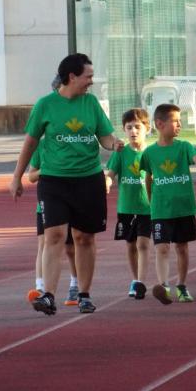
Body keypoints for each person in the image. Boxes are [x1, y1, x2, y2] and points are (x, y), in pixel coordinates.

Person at [10, 53, 123, 315]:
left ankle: (84, 294)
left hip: (88, 180)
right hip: (54, 181)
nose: (91, 82)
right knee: (55, 236)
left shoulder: (91, 104)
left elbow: (104, 137)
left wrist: (114, 144)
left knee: (84, 238)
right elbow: (30, 142)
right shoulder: (45, 105)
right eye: (88, 76)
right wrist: (17, 176)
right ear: (72, 77)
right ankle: (48, 294)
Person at [140, 104, 196, 304]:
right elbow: (148, 177)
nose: (180, 124)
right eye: (175, 121)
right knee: (161, 247)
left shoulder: (184, 146)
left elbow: (195, 156)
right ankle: (163, 286)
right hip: (161, 209)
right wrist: (151, 200)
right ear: (160, 124)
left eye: (180, 120)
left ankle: (182, 285)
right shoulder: (150, 153)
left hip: (184, 208)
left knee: (182, 247)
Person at [105, 108, 151, 300]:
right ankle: (134, 279)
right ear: (124, 129)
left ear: (147, 129)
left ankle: (140, 281)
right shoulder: (121, 153)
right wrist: (107, 183)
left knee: (142, 244)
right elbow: (110, 173)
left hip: (147, 208)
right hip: (126, 207)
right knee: (130, 245)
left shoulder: (151, 153)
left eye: (137, 127)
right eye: (129, 127)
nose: (133, 131)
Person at [26, 139, 79, 307]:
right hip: (45, 205)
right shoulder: (40, 146)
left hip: (68, 202)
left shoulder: (69, 143)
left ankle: (75, 284)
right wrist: (45, 170)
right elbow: (31, 176)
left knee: (70, 248)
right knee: (43, 244)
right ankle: (40, 288)